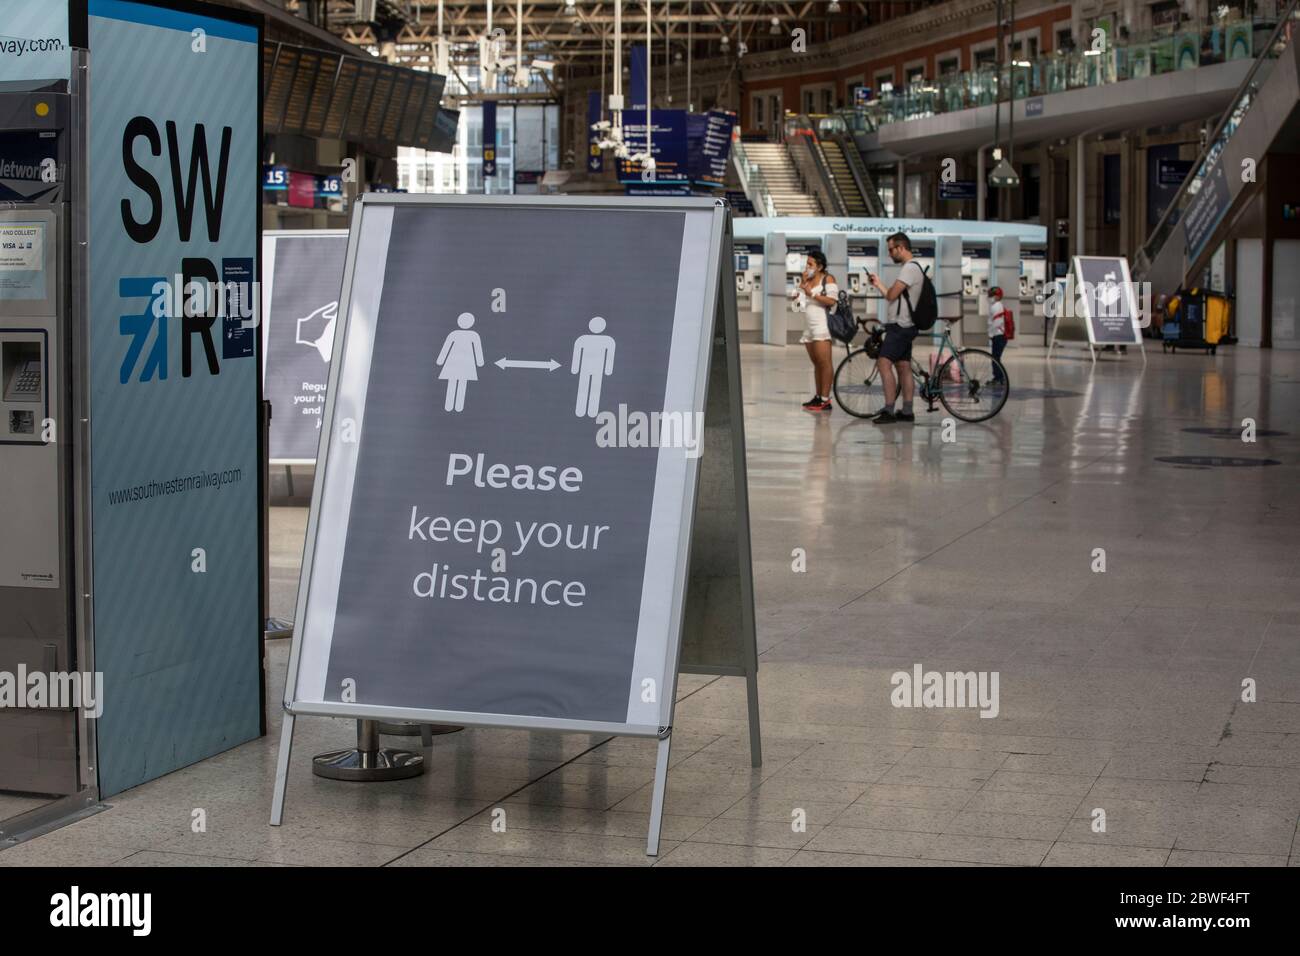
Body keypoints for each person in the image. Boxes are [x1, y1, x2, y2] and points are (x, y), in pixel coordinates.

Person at [868, 232, 923, 424]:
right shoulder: (912, 268)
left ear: (901, 248)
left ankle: (889, 410)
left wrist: (884, 287)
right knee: (903, 366)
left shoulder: (909, 269)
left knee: (884, 363)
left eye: (891, 250)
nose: (890, 254)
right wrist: (879, 285)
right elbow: (891, 295)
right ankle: (907, 411)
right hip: (905, 325)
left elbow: (892, 294)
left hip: (901, 326)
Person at [793, 249, 839, 413]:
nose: (807, 267)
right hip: (809, 328)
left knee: (825, 363)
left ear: (820, 266)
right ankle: (819, 396)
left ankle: (825, 400)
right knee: (817, 364)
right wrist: (801, 286)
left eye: (810, 264)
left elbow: (832, 301)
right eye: (807, 263)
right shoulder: (807, 281)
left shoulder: (828, 279)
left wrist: (811, 293)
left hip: (822, 326)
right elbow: (797, 307)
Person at [436, 312, 485, 413]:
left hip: (460, 363)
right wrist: (480, 362)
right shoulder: (467, 334)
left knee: (457, 383)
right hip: (459, 362)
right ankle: (453, 406)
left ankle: (455, 407)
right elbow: (446, 347)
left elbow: (477, 349)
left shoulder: (468, 335)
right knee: (457, 383)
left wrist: (440, 361)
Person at [988, 286, 1009, 381]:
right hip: (999, 335)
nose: (991, 297)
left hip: (999, 335)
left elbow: (997, 322)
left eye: (993, 295)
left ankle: (999, 378)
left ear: (998, 296)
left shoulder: (996, 306)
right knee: (996, 358)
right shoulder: (997, 305)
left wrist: (991, 334)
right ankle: (998, 378)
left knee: (995, 359)